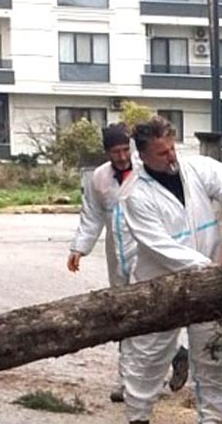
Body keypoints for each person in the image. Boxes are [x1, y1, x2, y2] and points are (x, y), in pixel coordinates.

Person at [117, 116, 222, 424]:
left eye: (172, 149)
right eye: (161, 153)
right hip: (162, 285)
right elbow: (158, 245)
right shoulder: (134, 194)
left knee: (213, 352)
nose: (171, 158)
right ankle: (138, 419)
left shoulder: (194, 169)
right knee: (149, 354)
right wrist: (206, 267)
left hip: (209, 285)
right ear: (143, 156)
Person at [67, 123, 189, 403]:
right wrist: (79, 248)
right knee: (123, 319)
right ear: (106, 152)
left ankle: (160, 369)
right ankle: (129, 381)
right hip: (118, 256)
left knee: (150, 317)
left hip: (146, 253)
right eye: (115, 152)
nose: (122, 157)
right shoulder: (99, 178)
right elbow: (92, 216)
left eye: (125, 150)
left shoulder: (146, 171)